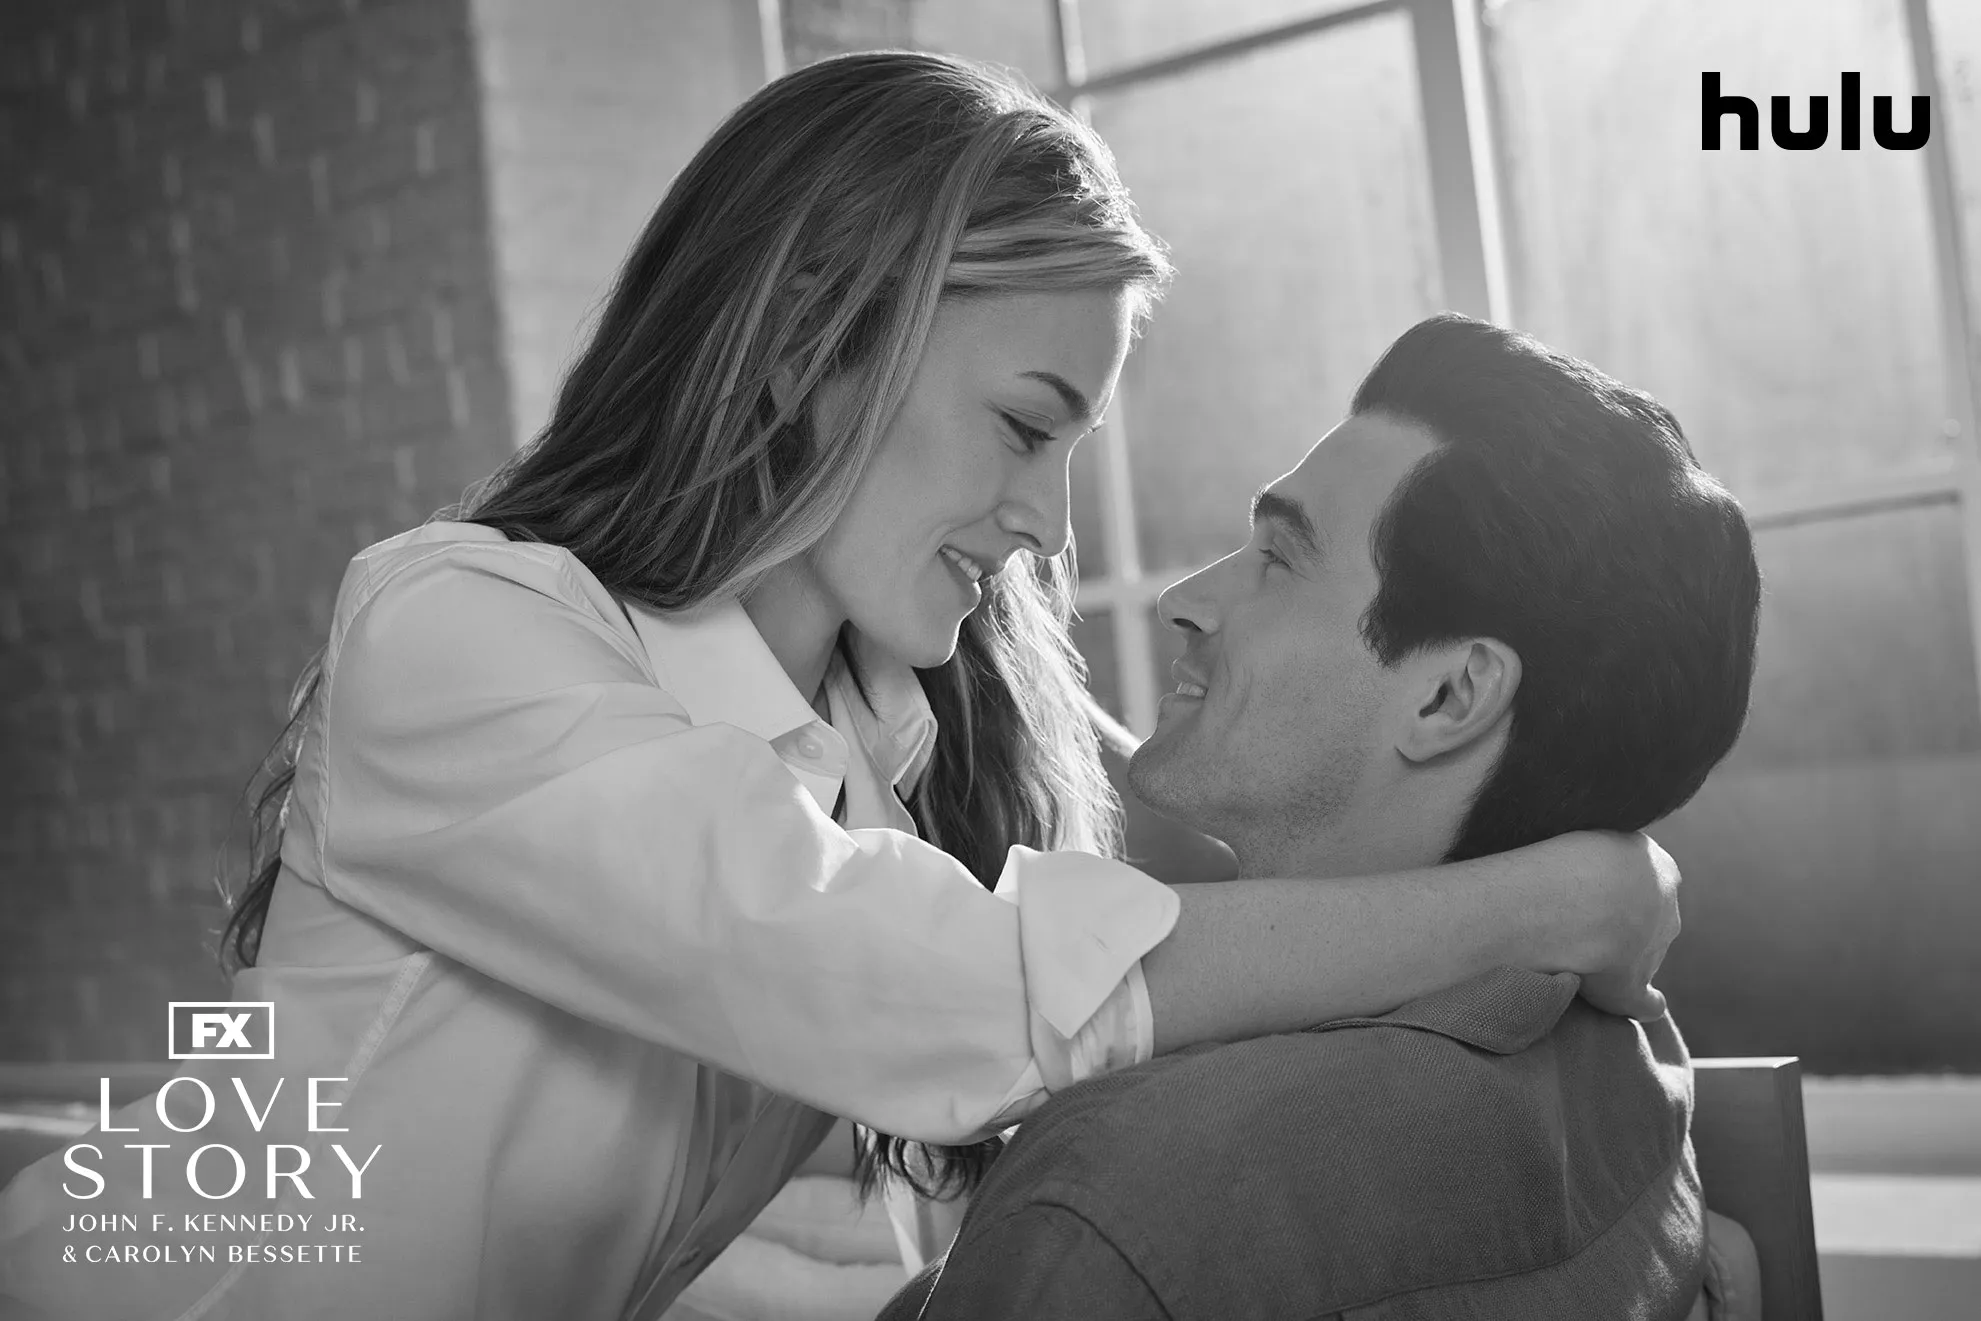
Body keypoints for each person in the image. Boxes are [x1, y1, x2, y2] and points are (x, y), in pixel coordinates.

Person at [0, 58, 1678, 1321]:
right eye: (1026, 428)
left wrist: (1639, 1185)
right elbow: (978, 985)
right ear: (815, 336)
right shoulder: (456, 630)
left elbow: (1245, 875)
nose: (1044, 526)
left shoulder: (899, 734)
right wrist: (1566, 894)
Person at [881, 314, 1761, 1320]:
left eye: (1278, 558)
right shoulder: (1632, 1077)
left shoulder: (1115, 1201)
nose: (1185, 596)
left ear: (1448, 697)